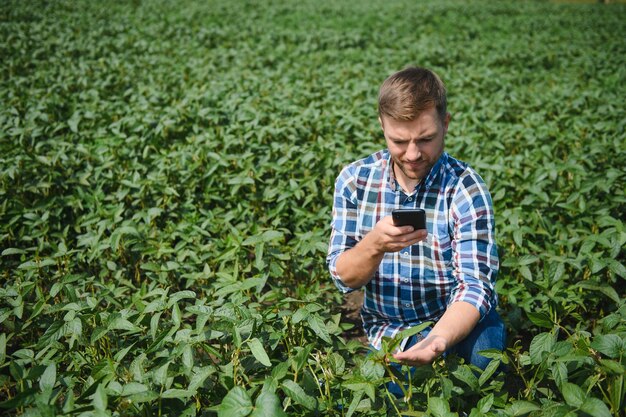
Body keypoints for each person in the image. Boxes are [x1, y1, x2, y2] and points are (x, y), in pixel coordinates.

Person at [326, 67, 506, 383]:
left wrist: (437, 340)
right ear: (382, 126)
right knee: (389, 396)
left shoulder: (465, 189)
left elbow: (475, 286)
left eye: (426, 139)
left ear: (445, 124)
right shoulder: (355, 182)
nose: (412, 154)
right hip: (391, 329)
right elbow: (344, 278)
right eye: (399, 141)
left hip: (456, 320)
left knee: (484, 360)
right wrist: (374, 245)